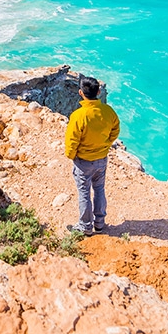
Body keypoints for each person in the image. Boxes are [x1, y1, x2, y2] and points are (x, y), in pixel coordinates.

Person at [64, 75, 120, 236]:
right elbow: (116, 129)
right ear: (99, 91)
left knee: (84, 193)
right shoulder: (108, 111)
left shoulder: (78, 116)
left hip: (83, 161)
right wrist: (106, 144)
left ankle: (85, 226)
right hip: (101, 158)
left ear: (81, 93)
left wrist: (72, 155)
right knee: (99, 189)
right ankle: (100, 224)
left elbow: (72, 141)